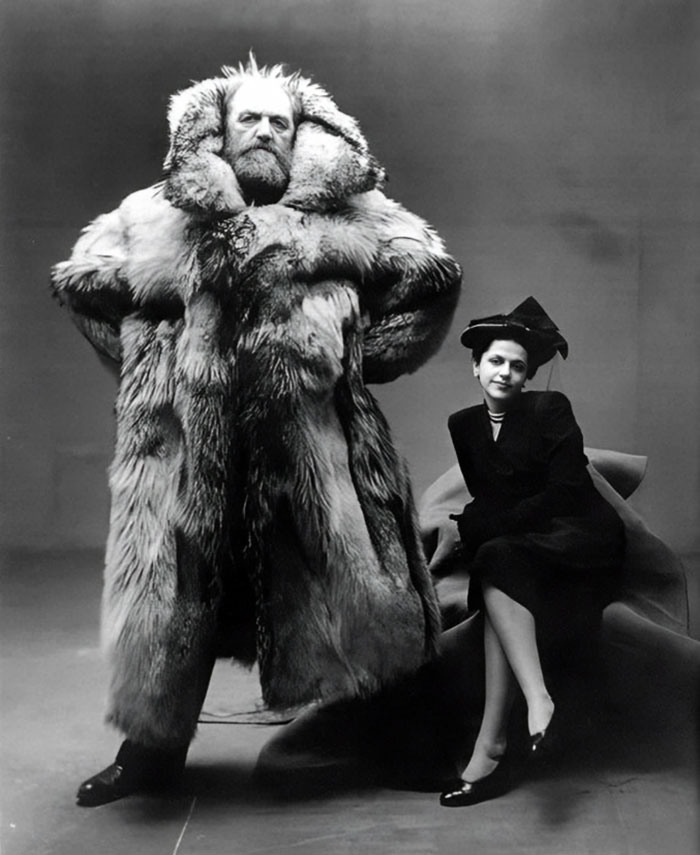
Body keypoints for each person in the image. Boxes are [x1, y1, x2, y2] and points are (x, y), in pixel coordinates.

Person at [51, 57, 461, 807]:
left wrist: (356, 353)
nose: (266, 131)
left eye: (280, 119)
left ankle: (402, 744)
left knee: (362, 590)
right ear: (221, 127)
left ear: (299, 131)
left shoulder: (347, 210)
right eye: (252, 118)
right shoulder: (157, 212)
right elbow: (83, 281)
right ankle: (149, 756)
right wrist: (152, 363)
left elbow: (431, 278)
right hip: (193, 453)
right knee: (177, 603)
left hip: (313, 447)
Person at [438, 296, 625, 807]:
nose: (505, 373)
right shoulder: (463, 425)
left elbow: (566, 491)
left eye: (517, 367)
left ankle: (524, 713)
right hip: (523, 541)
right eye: (496, 361)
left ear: (527, 377)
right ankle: (502, 735)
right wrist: (486, 520)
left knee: (494, 555)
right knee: (495, 561)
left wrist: (487, 521)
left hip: (579, 534)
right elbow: (492, 495)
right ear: (476, 367)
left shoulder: (549, 409)